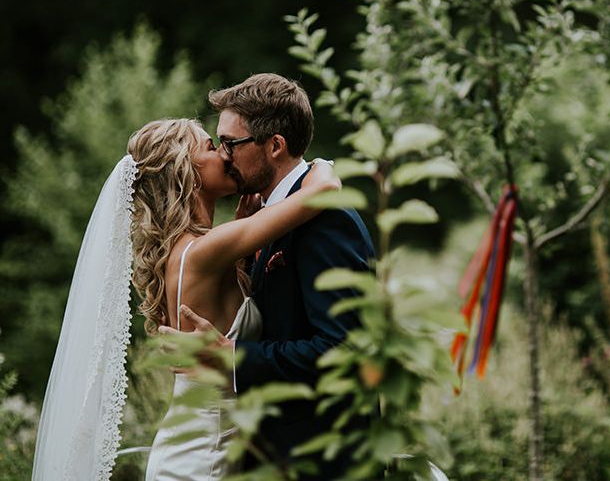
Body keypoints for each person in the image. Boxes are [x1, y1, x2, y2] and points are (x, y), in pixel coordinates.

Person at [31, 116, 340, 481]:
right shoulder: (205, 250)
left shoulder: (190, 252)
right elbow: (323, 192)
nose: (226, 154)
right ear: (185, 171)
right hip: (202, 460)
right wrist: (320, 166)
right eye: (211, 147)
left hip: (204, 448)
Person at [174, 74, 376, 478]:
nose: (224, 155)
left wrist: (235, 359)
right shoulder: (266, 217)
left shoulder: (327, 219)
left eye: (230, 143)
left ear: (275, 145)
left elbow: (344, 348)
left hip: (322, 460)